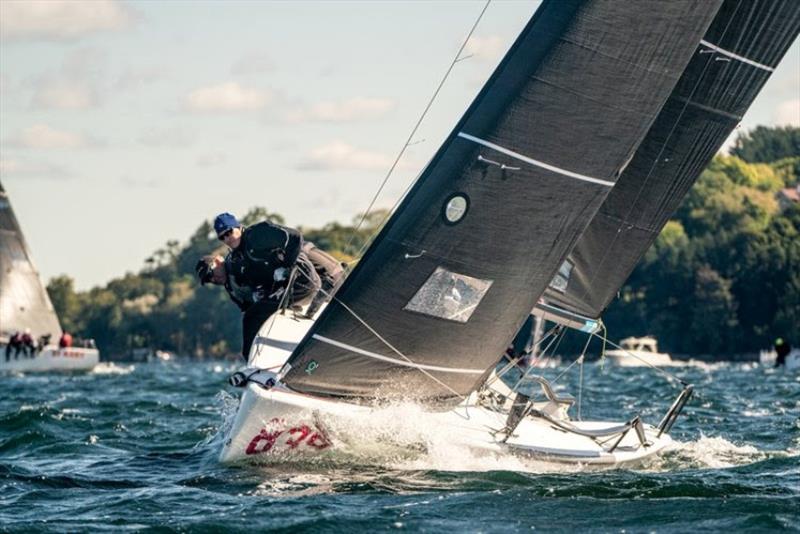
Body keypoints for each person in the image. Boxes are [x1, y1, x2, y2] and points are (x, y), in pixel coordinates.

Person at [197, 212, 321, 360]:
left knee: (252, 316)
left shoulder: (256, 235)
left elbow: (295, 236)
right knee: (254, 313)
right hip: (285, 290)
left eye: (229, 232)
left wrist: (287, 266)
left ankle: (252, 362)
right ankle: (270, 360)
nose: (226, 239)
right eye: (222, 237)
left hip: (301, 281)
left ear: (238, 227)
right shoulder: (237, 261)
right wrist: (259, 292)